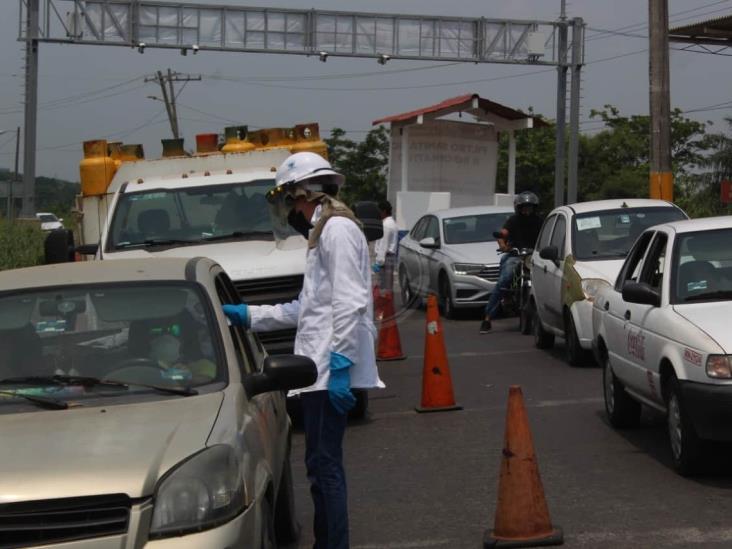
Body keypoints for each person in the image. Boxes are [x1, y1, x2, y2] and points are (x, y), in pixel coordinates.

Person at [222, 151, 384, 549]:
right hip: (320, 369)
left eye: (292, 200)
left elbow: (349, 302)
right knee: (319, 464)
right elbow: (306, 308)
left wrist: (342, 366)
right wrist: (249, 315)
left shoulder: (337, 231)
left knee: (324, 467)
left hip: (330, 369)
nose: (291, 210)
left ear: (307, 192)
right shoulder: (323, 232)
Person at [480, 191, 543, 334]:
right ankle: (487, 318)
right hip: (515, 255)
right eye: (524, 207)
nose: (527, 210)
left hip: (534, 257)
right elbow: (503, 234)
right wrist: (502, 244)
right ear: (519, 208)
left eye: (530, 207)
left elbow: (547, 235)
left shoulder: (540, 221)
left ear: (535, 208)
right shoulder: (513, 221)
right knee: (504, 280)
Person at [372, 199, 399, 292]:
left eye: (378, 211)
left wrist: (378, 263)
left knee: (383, 288)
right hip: (389, 258)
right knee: (388, 287)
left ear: (383, 211)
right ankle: (387, 305)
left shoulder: (386, 225)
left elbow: (384, 246)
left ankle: (384, 306)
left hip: (385, 260)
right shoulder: (391, 223)